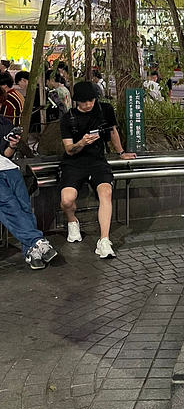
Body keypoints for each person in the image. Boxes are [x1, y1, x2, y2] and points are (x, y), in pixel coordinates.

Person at [59, 81, 136, 258]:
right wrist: (82, 143)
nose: (88, 105)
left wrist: (121, 152)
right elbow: (69, 149)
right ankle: (72, 221)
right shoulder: (68, 118)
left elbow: (113, 132)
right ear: (76, 101)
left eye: (91, 101)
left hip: (97, 161)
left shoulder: (104, 110)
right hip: (74, 162)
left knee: (106, 192)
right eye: (83, 102)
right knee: (67, 200)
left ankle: (104, 240)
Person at [0, 117, 57, 270]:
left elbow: (6, 154)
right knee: (9, 205)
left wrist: (12, 144)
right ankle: (38, 241)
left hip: (8, 168)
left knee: (24, 206)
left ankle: (32, 252)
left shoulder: (4, 123)